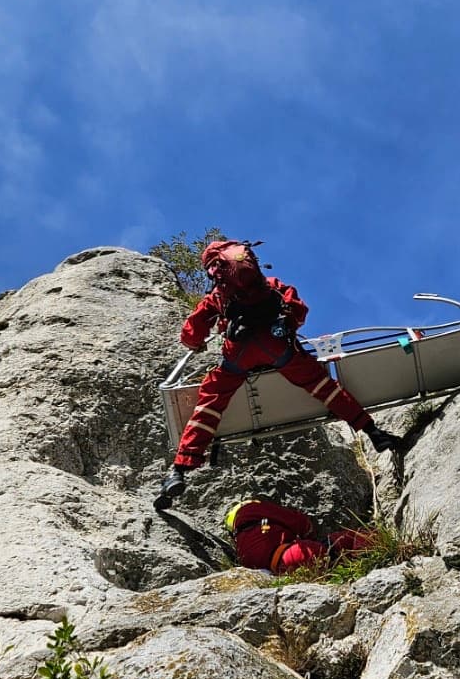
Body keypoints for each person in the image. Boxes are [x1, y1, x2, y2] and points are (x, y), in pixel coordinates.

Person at [155, 239, 400, 509]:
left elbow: (191, 333)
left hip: (240, 352)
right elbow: (299, 309)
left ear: (214, 268)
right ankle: (372, 431)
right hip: (278, 346)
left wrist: (197, 342)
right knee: (322, 385)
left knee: (211, 399)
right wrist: (287, 329)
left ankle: (179, 469)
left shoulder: (216, 296)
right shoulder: (269, 284)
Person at [224, 498, 377, 573]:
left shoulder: (243, 544)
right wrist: (309, 535)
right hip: (293, 554)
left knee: (334, 563)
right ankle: (378, 550)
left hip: (281, 571)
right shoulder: (250, 510)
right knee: (345, 539)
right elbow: (297, 521)